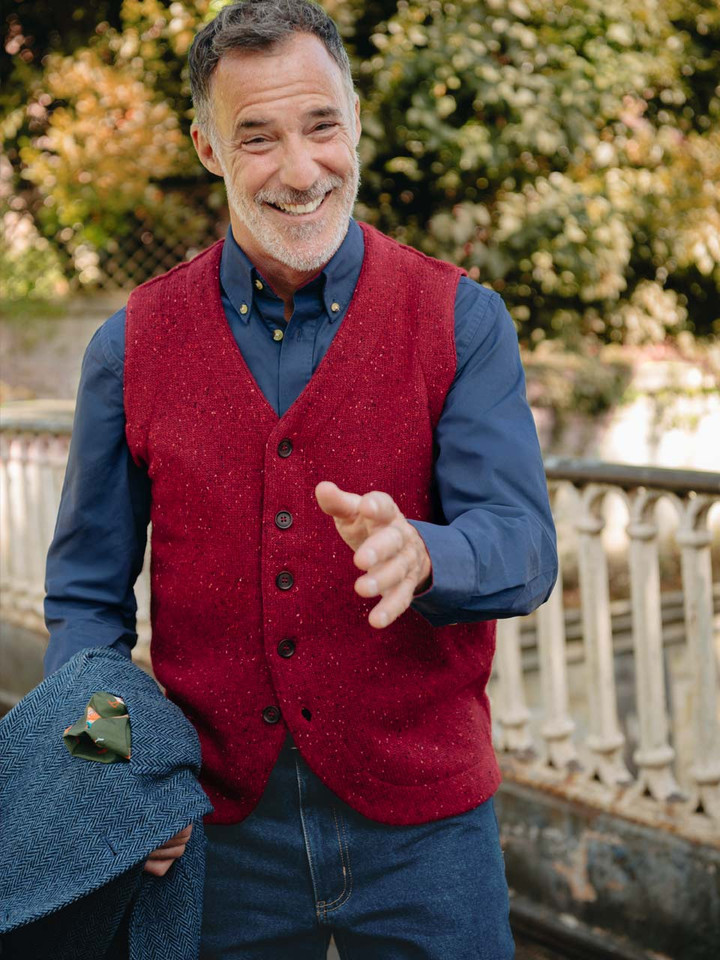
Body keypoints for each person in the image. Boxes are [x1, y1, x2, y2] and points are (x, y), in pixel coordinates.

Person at [43, 1, 558, 957]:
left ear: (355, 123)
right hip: (214, 829)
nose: (300, 169)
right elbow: (83, 603)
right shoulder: (130, 345)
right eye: (257, 136)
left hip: (428, 833)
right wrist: (107, 781)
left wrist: (430, 553)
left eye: (322, 126)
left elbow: (525, 543)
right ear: (207, 147)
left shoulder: (463, 319)